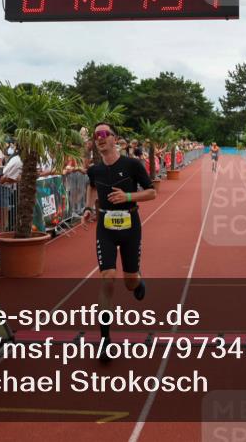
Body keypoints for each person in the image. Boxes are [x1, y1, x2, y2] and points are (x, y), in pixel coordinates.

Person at [81, 122, 156, 351]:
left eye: (104, 134)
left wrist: (128, 196)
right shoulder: (94, 169)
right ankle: (104, 340)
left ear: (115, 139)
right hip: (105, 227)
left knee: (129, 281)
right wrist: (87, 208)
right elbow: (92, 187)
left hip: (130, 225)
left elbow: (152, 192)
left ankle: (137, 282)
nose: (100, 138)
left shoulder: (132, 165)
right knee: (107, 278)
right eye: (96, 136)